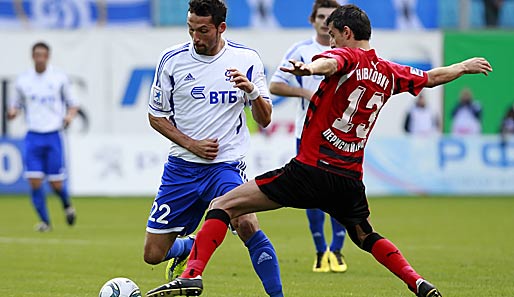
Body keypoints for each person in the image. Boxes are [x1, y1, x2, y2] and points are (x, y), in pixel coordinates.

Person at [146, 4, 492, 297]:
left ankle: (192, 274)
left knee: (224, 205)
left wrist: (310, 68)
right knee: (366, 236)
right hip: (349, 179)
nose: (327, 40)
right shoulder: (389, 71)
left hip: (310, 170)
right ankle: (416, 282)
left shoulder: (343, 56)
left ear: (344, 33)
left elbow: (332, 63)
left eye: (330, 35)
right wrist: (462, 67)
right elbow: (430, 77)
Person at [142, 1, 283, 297]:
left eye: (203, 30)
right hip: (181, 168)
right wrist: (191, 144)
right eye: (191, 29)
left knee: (246, 223)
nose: (196, 37)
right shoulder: (172, 60)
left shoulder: (246, 59)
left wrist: (253, 92)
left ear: (221, 28)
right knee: (153, 254)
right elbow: (156, 116)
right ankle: (190, 246)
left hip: (225, 166)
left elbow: (265, 119)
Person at [269, 0, 348, 273]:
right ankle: (319, 250)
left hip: (342, 134)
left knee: (341, 194)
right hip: (308, 132)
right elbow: (275, 85)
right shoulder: (301, 50)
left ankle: (337, 251)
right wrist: (304, 92)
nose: (326, 22)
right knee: (311, 194)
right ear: (312, 19)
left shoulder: (347, 52)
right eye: (321, 16)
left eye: (331, 17)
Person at [7, 41, 78, 232]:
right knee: (34, 180)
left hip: (53, 135)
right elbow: (16, 104)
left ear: (48, 57)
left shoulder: (59, 79)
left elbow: (72, 104)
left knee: (56, 183)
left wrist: (69, 116)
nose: (39, 58)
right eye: (36, 54)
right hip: (33, 136)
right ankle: (45, 222)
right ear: (32, 56)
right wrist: (13, 112)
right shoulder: (23, 81)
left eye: (43, 55)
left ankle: (67, 205)